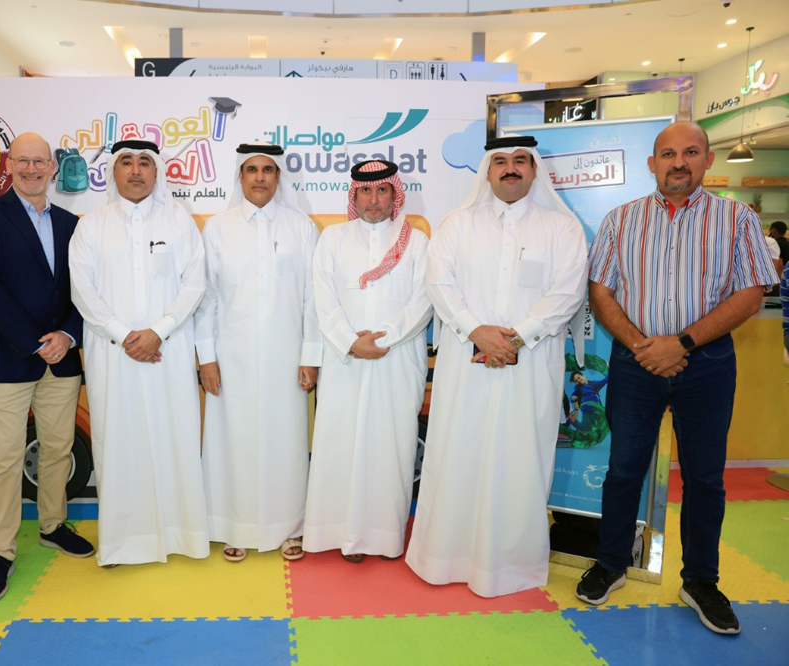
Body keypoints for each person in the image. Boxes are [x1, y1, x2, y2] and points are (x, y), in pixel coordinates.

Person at [577, 121, 778, 635]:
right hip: (635, 364)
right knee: (624, 469)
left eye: (691, 152)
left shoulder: (737, 218)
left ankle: (701, 581)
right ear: (652, 164)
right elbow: (601, 291)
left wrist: (681, 343)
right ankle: (611, 563)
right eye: (668, 154)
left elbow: (751, 292)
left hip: (706, 366)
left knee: (705, 477)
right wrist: (644, 347)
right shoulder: (621, 220)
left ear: (708, 160)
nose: (679, 162)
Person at [406, 135, 588, 596]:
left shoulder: (561, 228)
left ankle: (510, 567)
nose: (511, 168)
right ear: (487, 172)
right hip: (466, 361)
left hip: (531, 363)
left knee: (520, 458)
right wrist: (478, 332)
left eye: (520, 161)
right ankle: (444, 558)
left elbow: (568, 291)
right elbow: (439, 284)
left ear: (534, 169)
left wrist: (516, 337)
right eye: (501, 161)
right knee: (458, 453)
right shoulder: (457, 224)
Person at [0, 132, 93, 603]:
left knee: (58, 448)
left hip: (62, 357)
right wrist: (36, 342)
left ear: (53, 168)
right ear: (9, 164)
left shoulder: (72, 223)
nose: (32, 169)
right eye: (23, 161)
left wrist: (67, 335)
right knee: (4, 458)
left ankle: (53, 525)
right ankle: (0, 550)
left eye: (40, 162)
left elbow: (85, 289)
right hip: (8, 356)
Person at [68, 139, 209, 566]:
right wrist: (125, 336)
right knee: (119, 442)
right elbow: (82, 289)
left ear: (156, 171)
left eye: (144, 162)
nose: (135, 170)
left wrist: (158, 333)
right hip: (113, 355)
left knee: (174, 438)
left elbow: (195, 284)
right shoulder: (92, 225)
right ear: (113, 171)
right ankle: (122, 542)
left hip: (169, 350)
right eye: (126, 162)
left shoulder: (179, 220)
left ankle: (182, 536)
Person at [194, 144, 320, 562]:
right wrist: (206, 358)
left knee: (286, 441)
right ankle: (235, 526)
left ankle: (290, 527)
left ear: (278, 176)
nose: (260, 177)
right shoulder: (218, 228)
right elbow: (206, 298)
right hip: (232, 357)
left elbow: (313, 298)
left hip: (287, 357)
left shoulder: (302, 227)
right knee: (234, 441)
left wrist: (310, 355)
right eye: (252, 169)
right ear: (241, 176)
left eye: (268, 169)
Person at [302, 160, 432, 563]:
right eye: (365, 191)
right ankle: (340, 532)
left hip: (398, 359)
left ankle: (383, 536)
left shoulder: (417, 242)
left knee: (390, 446)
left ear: (394, 195)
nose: (374, 200)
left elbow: (424, 300)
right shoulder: (333, 239)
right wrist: (351, 342)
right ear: (354, 196)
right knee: (340, 443)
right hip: (345, 360)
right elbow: (322, 299)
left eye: (382, 190)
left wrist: (385, 339)